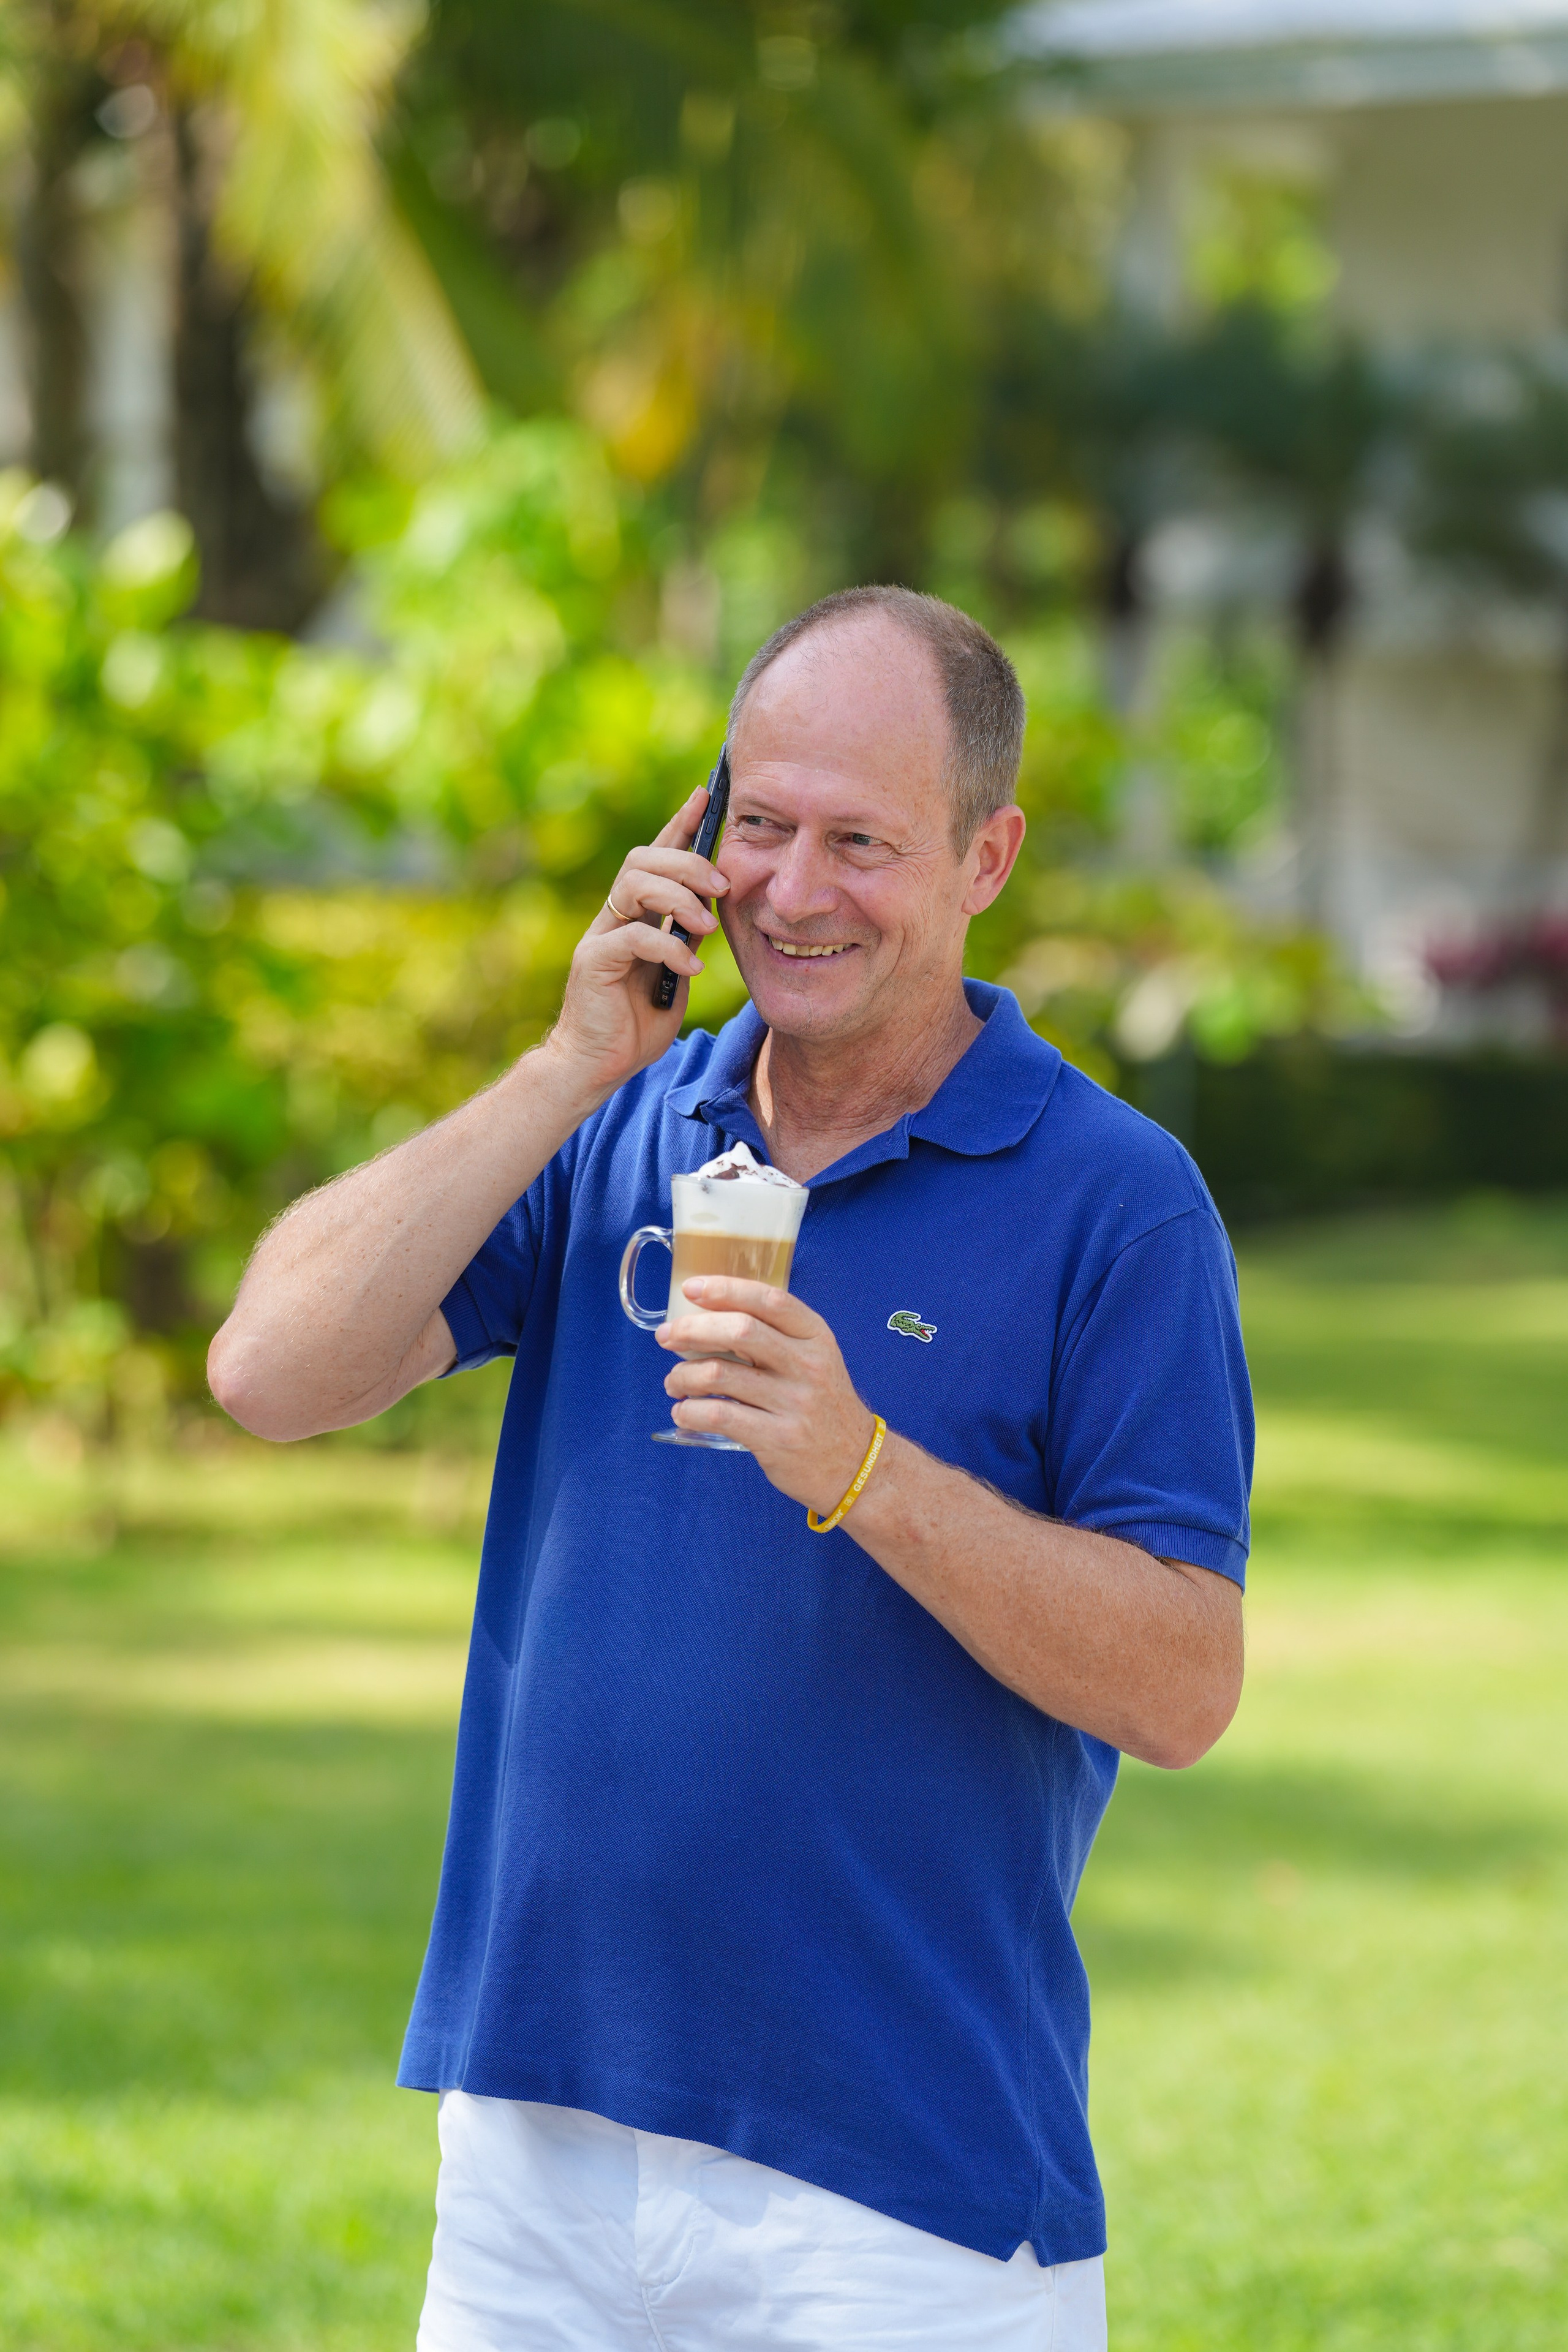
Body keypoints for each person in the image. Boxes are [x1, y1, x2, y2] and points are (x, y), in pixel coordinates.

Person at [209, 586, 1253, 2352]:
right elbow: (268, 1373)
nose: (791, 887)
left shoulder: (1117, 1199)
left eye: (863, 841)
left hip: (895, 2196)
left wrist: (863, 1468)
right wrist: (564, 1067)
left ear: (986, 857)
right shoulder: (624, 1117)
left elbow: (1185, 1682)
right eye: (759, 823)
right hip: (536, 2157)